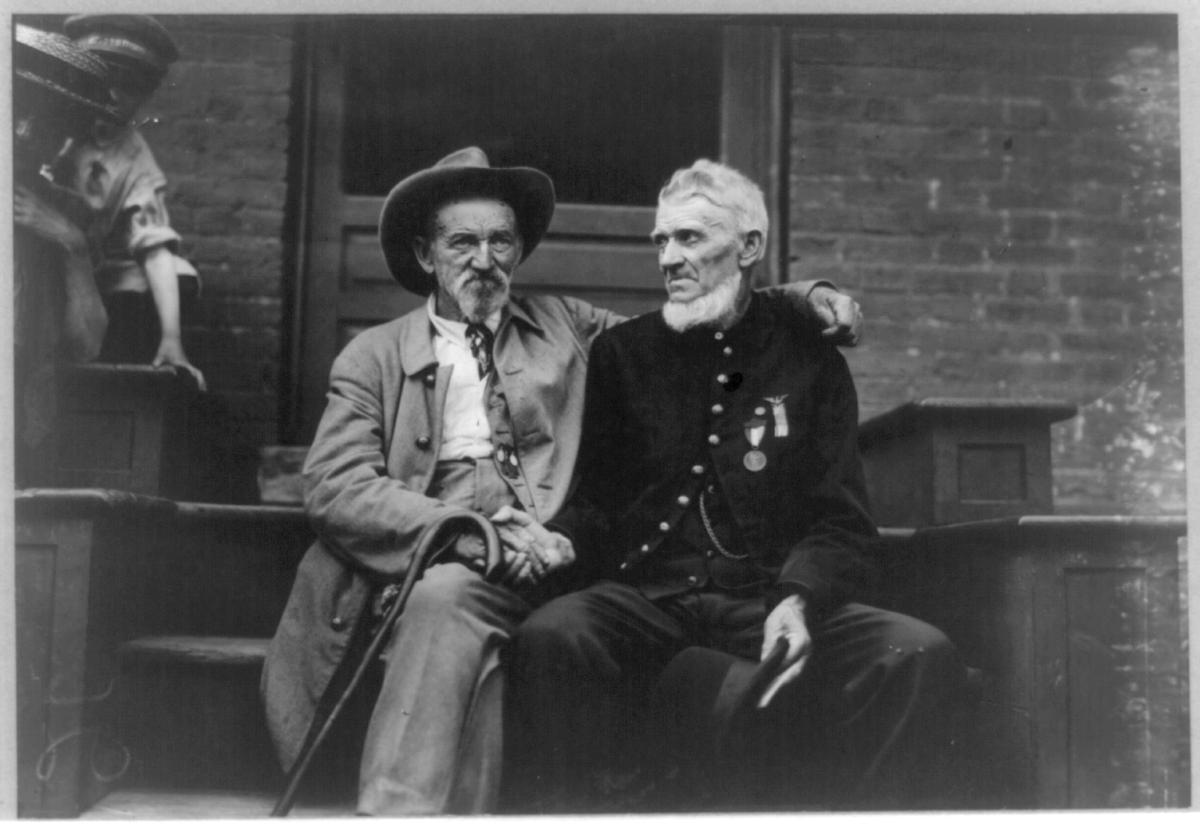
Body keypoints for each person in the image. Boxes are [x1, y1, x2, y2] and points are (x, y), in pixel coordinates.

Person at [260, 146, 863, 815]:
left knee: (535, 630)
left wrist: (809, 298)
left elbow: (699, 310)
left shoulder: (568, 327)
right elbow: (336, 483)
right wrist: (459, 532)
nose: (483, 260)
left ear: (519, 253)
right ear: (426, 255)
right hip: (444, 549)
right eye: (462, 242)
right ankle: (401, 815)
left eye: (501, 242)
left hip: (557, 548)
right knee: (446, 600)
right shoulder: (371, 357)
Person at [507, 159, 965, 810]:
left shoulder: (811, 360)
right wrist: (556, 539)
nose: (668, 257)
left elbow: (841, 520)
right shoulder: (623, 355)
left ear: (749, 246)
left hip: (768, 600)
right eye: (660, 241)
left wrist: (798, 600)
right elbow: (601, 501)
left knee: (918, 653)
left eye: (690, 238)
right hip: (651, 597)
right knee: (553, 636)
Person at [53, 14, 206, 390]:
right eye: (105, 81)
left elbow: (154, 249)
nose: (116, 97)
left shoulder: (133, 155)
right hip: (28, 254)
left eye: (132, 87)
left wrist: (172, 339)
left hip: (77, 266)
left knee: (174, 274)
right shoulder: (44, 117)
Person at [13, 22, 118, 486]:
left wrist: (69, 240)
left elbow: (87, 345)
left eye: (44, 120)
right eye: (15, 108)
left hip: (23, 408)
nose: (23, 130)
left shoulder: (69, 211)